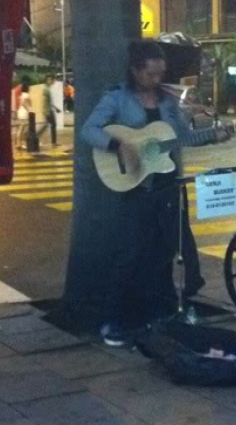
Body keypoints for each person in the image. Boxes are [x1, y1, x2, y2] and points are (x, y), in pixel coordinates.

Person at [80, 40, 209, 347]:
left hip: (166, 185)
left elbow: (181, 138)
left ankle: (160, 314)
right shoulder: (117, 98)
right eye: (151, 74)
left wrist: (210, 132)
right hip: (135, 187)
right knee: (129, 254)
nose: (157, 80)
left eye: (160, 73)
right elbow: (89, 130)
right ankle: (115, 321)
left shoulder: (167, 101)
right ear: (136, 71)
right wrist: (119, 145)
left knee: (165, 253)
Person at [37, 75, 59, 147]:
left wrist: (55, 108)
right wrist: (45, 110)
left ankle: (37, 136)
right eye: (50, 80)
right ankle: (53, 142)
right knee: (51, 125)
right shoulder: (46, 89)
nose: (52, 82)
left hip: (49, 110)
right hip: (48, 111)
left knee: (48, 125)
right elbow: (44, 100)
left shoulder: (48, 89)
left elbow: (49, 102)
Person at [15, 80, 32, 150]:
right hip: (24, 113)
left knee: (20, 129)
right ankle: (19, 144)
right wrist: (29, 110)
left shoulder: (21, 95)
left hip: (20, 112)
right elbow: (25, 104)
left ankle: (19, 144)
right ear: (27, 88)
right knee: (22, 129)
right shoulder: (26, 95)